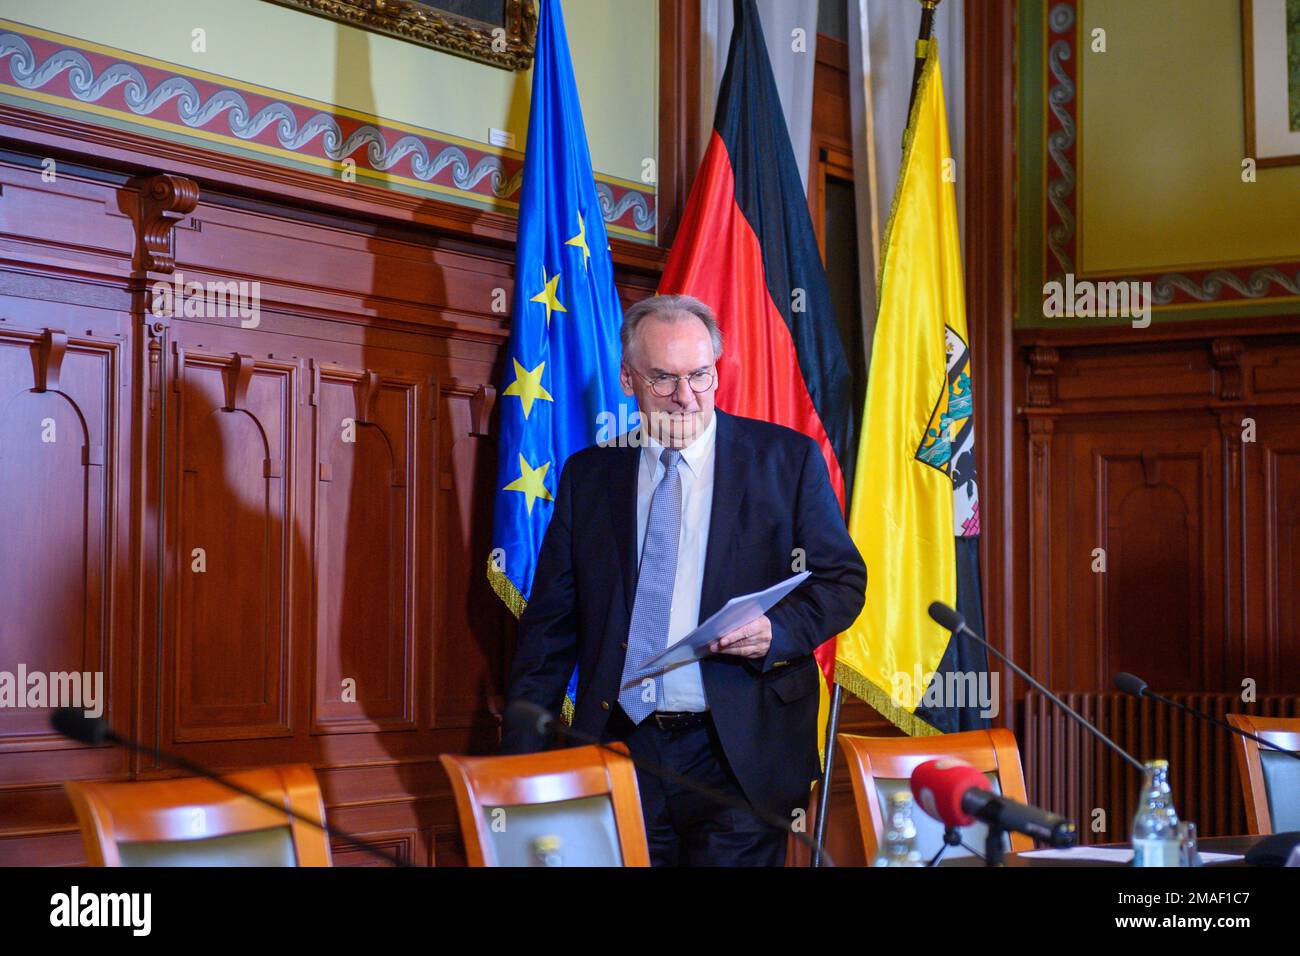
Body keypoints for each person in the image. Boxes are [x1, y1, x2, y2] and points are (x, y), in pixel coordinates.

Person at [501, 293, 866, 865]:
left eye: (700, 375)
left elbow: (842, 581)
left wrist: (777, 630)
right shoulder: (590, 477)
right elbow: (550, 631)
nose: (685, 397)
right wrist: (521, 766)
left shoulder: (784, 461)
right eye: (663, 380)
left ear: (717, 370)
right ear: (628, 378)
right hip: (622, 745)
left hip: (740, 751)